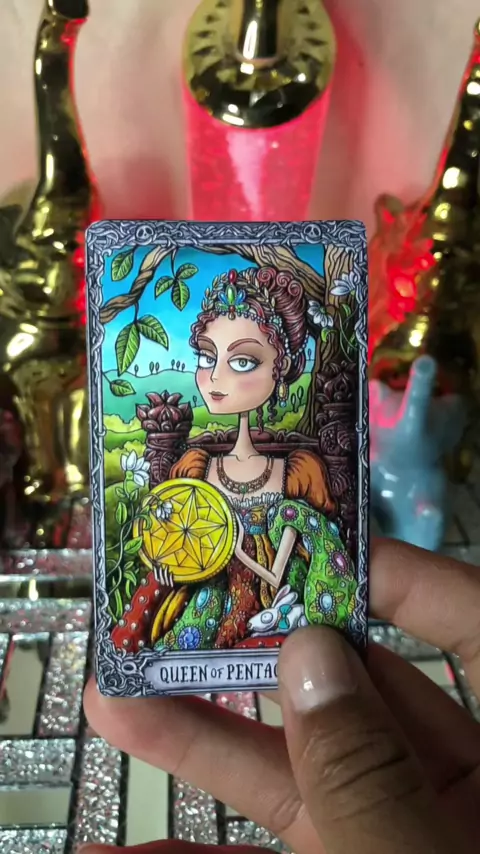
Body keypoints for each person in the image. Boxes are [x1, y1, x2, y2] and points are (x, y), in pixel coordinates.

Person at [83, 538, 480, 853]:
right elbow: (132, 643)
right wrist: (159, 585)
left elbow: (274, 577)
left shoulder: (283, 533)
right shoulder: (205, 574)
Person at [153, 265, 357, 652]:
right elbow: (182, 545)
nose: (215, 378)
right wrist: (173, 568)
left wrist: (233, 549)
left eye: (243, 362)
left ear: (282, 370)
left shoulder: (294, 476)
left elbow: (276, 577)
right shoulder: (198, 468)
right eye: (206, 357)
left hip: (271, 603)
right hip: (210, 599)